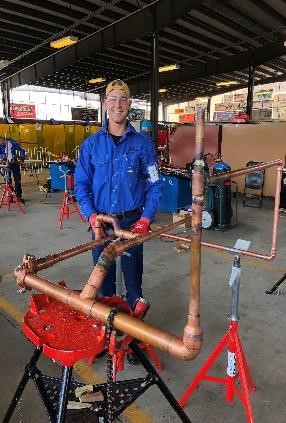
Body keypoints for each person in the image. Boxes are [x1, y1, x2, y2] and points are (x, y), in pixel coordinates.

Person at [74, 79, 162, 311]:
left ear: (130, 104)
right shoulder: (90, 145)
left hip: (133, 223)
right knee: (103, 288)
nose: (118, 104)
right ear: (105, 104)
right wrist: (92, 217)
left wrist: (146, 218)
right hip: (101, 225)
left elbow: (155, 183)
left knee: (134, 284)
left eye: (123, 99)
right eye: (113, 99)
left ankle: (134, 328)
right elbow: (81, 186)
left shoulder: (143, 144)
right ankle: (109, 333)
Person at [0, 136, 26, 201]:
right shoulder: (0, 146)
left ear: (3, 139)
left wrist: (22, 158)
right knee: (8, 181)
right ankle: (10, 196)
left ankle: (18, 195)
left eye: (0, 141)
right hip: (6, 165)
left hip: (14, 163)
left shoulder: (13, 144)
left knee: (17, 179)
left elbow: (22, 150)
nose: (0, 143)